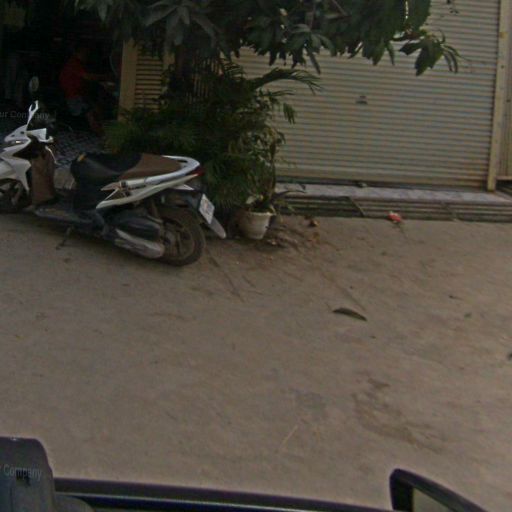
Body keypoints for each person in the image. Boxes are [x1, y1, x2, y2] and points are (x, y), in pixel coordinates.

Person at [59, 43, 106, 136]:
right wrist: (105, 77)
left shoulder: (80, 64)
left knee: (98, 108)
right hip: (73, 98)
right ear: (78, 53)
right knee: (91, 113)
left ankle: (103, 132)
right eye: (85, 53)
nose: (87, 56)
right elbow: (87, 76)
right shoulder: (74, 63)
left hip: (81, 96)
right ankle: (102, 134)